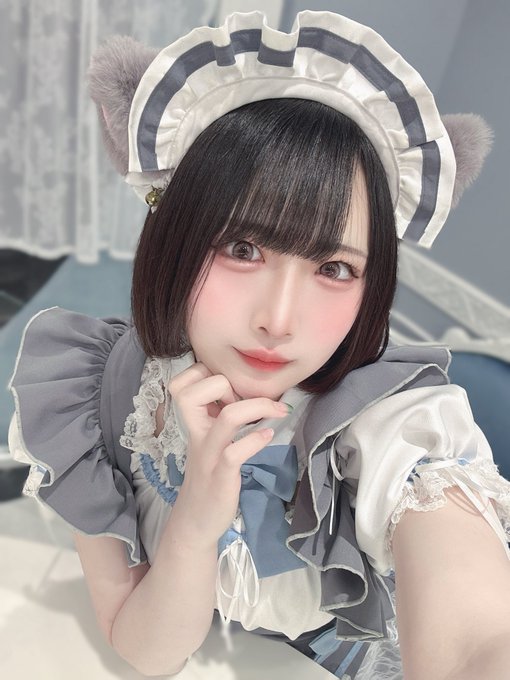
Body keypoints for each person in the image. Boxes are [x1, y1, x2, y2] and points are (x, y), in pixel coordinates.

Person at [7, 10, 510, 680]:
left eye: (335, 268)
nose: (279, 320)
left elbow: (476, 637)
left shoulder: (390, 419)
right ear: (174, 234)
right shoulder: (95, 389)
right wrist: (195, 518)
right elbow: (147, 650)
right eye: (243, 249)